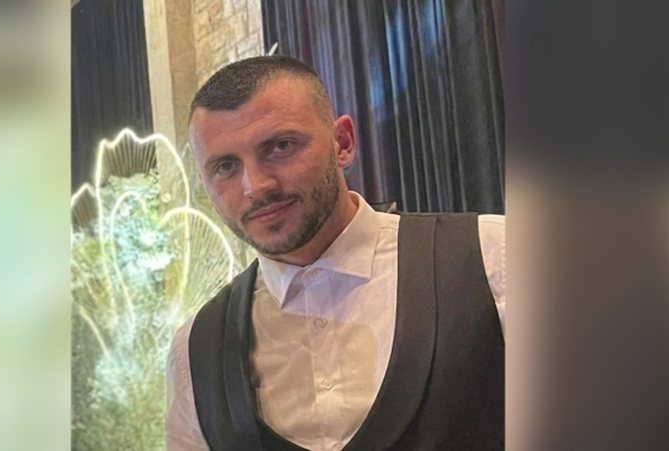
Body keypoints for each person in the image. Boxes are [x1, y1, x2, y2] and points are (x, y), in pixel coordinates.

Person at [166, 55, 505, 451]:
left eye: (281, 146)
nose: (256, 186)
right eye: (225, 167)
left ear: (342, 143)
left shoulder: (496, 256)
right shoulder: (196, 349)